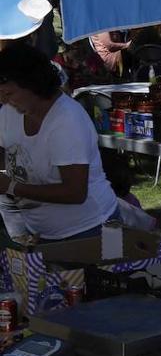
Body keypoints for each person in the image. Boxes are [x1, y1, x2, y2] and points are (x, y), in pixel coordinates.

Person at [0, 46, 119, 242]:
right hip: (42, 232)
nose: (3, 100)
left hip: (92, 230)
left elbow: (75, 192)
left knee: (95, 274)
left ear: (32, 84)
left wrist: (12, 187)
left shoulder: (67, 120)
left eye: (8, 93)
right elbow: (8, 151)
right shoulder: (9, 111)